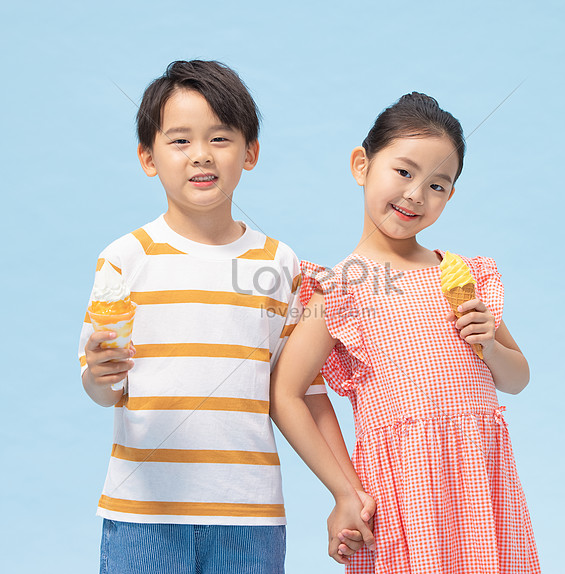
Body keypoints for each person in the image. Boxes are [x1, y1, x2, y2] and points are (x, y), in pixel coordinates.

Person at [78, 60, 372, 574]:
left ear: (250, 152)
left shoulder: (279, 264)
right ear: (148, 157)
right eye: (179, 141)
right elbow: (102, 386)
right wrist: (100, 375)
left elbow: (303, 390)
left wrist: (345, 490)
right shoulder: (125, 257)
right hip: (142, 514)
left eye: (220, 138)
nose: (200, 156)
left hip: (250, 516)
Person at [269, 92, 540, 573]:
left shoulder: (459, 274)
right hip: (403, 493)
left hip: (481, 480)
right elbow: (286, 393)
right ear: (362, 165)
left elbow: (516, 378)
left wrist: (489, 346)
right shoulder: (337, 291)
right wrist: (343, 490)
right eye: (404, 172)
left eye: (438, 185)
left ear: (450, 195)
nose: (416, 194)